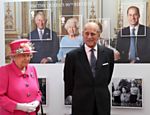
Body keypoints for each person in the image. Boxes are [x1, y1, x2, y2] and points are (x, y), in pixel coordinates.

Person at [64, 22, 114, 115]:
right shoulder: (72, 56)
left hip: (102, 103)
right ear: (83, 34)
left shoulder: (108, 54)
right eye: (86, 33)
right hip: (81, 103)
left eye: (93, 34)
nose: (89, 37)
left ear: (98, 35)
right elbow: (68, 79)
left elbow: (108, 77)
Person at [0, 39, 42, 115]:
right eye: (23, 55)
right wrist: (18, 106)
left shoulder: (32, 69)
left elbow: (38, 92)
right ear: (14, 56)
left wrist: (37, 102)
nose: (27, 58)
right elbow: (0, 97)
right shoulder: (4, 71)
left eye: (29, 55)